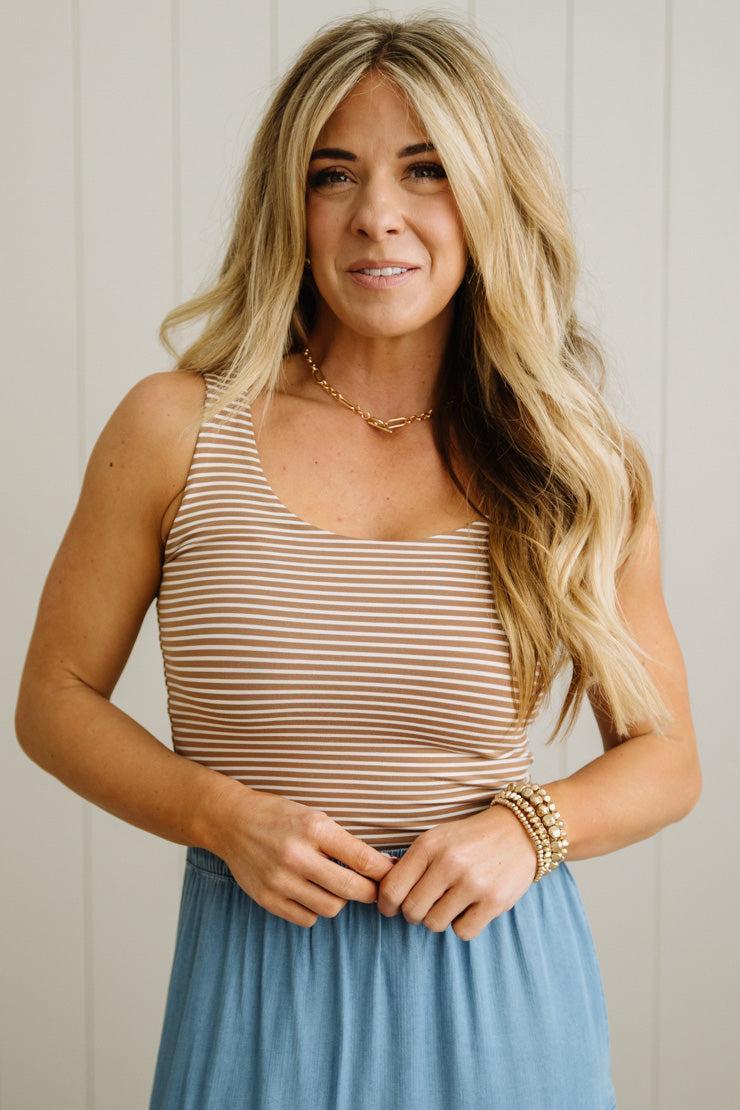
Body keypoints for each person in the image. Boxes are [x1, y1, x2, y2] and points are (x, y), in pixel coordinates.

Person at [15, 12, 701, 1110]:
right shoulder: (176, 429)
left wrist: (529, 830)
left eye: (425, 169)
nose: (378, 214)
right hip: (257, 993)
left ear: (488, 194)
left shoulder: (573, 460)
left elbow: (666, 758)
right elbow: (53, 699)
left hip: (498, 997)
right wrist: (217, 816)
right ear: (288, 208)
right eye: (333, 175)